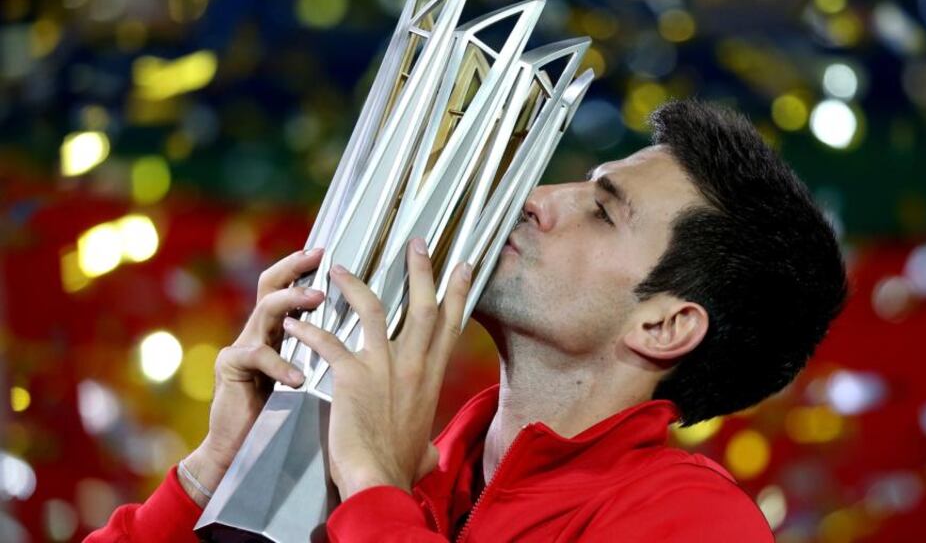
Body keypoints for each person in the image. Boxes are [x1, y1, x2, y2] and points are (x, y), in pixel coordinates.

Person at [86, 99, 847, 542]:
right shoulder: (432, 471)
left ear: (663, 326)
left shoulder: (694, 522)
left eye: (603, 213)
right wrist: (213, 469)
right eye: (580, 183)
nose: (538, 198)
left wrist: (375, 487)